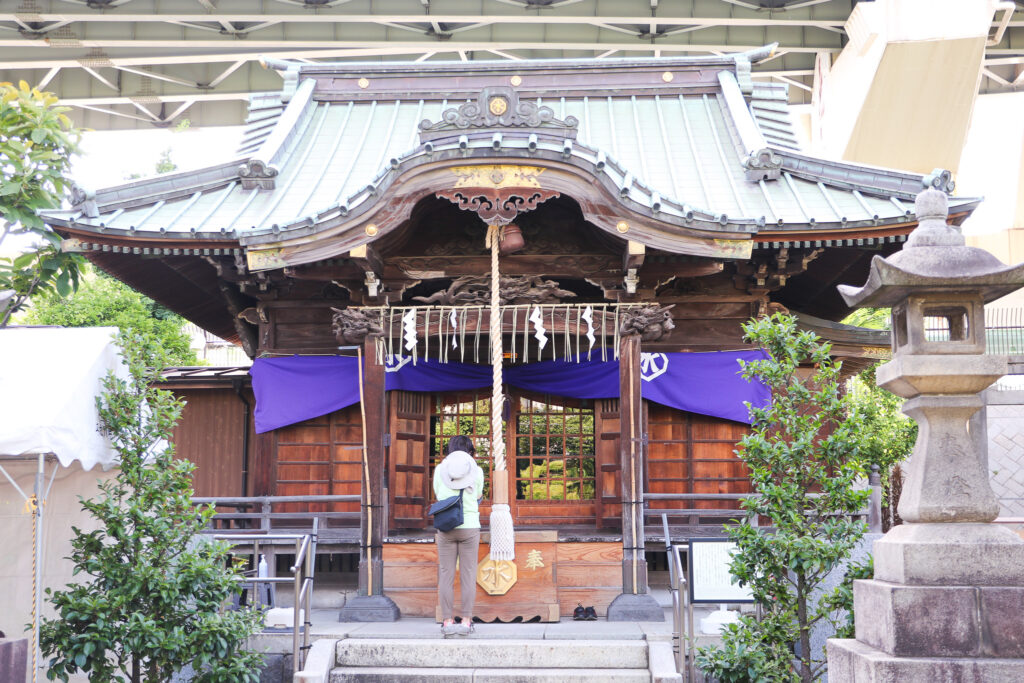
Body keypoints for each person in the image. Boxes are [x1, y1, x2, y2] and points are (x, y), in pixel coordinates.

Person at [433, 434, 485, 636]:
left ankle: (446, 621)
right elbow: (478, 494)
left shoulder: (440, 470)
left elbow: (438, 494)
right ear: (470, 451)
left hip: (445, 525)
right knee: (468, 575)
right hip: (470, 525)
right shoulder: (477, 471)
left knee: (446, 574)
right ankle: (465, 621)